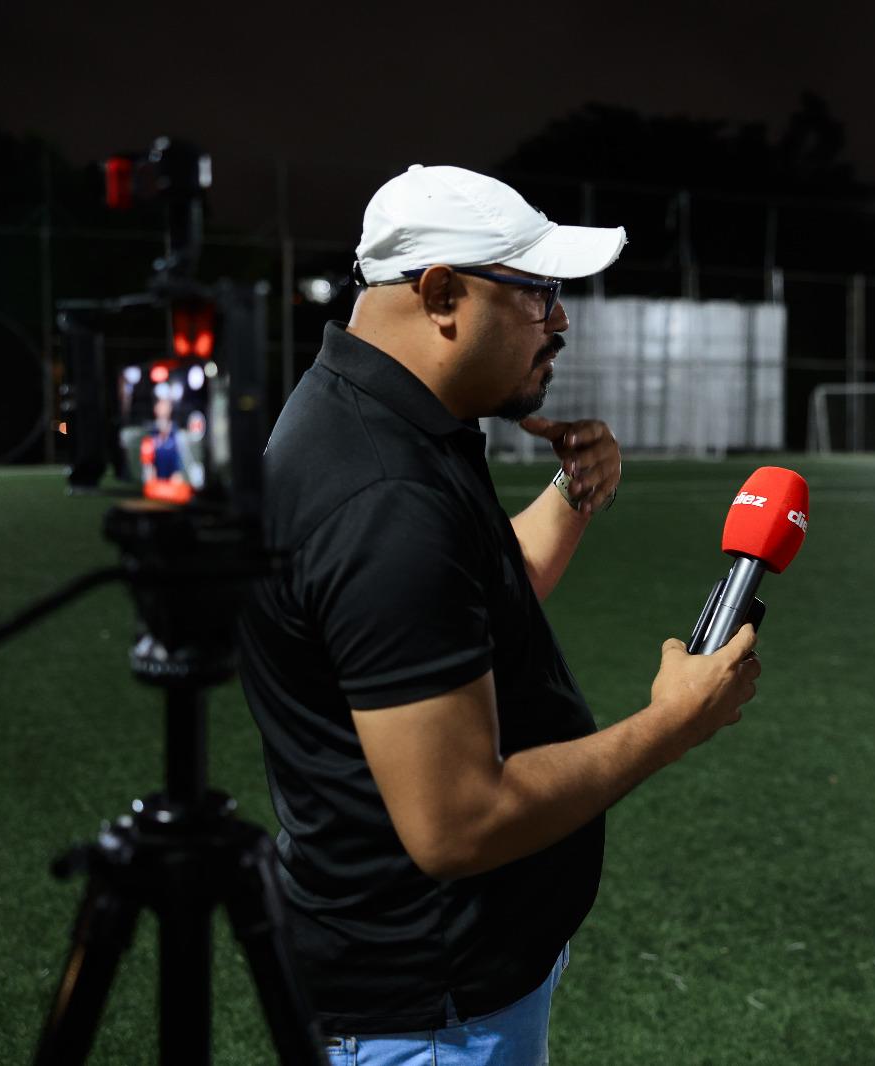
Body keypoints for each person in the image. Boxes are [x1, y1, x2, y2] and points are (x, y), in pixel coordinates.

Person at [237, 164, 762, 1064]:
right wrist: (671, 725)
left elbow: (456, 603)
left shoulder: (379, 418)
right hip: (430, 1006)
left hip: (427, 985)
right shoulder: (384, 492)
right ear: (442, 294)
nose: (560, 321)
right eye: (538, 293)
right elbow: (458, 823)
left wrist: (570, 493)